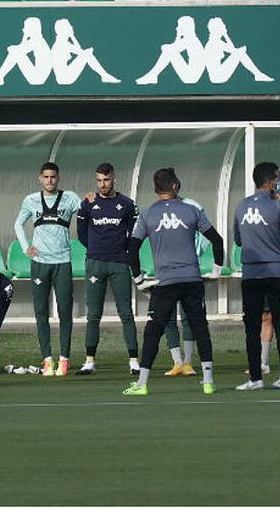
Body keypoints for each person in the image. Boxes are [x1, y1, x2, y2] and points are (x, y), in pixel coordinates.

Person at [123, 168, 224, 397]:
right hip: (192, 280)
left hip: (165, 283)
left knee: (153, 332)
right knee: (200, 328)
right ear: (175, 186)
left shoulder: (147, 214)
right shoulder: (191, 210)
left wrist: (138, 280)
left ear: (156, 188)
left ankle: (142, 384)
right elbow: (217, 240)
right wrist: (216, 272)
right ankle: (208, 381)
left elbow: (132, 250)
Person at [234, 162, 280, 391]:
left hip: (251, 274)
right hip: (276, 274)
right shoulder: (278, 207)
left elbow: (238, 240)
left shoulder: (241, 206)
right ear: (271, 182)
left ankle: (255, 378)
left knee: (251, 327)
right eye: (278, 179)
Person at [13, 162, 82, 376]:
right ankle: (47, 359)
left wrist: (90, 200)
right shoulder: (31, 200)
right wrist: (26, 248)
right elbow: (17, 224)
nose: (49, 180)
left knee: (65, 312)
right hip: (40, 263)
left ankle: (64, 359)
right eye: (46, 177)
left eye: (53, 177)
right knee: (41, 312)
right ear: (40, 178)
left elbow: (87, 214)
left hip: (62, 262)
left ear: (58, 178)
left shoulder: (70, 197)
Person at [75, 163, 139, 376]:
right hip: (95, 263)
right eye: (99, 180)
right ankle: (89, 361)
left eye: (107, 180)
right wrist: (96, 250)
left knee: (126, 314)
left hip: (120, 263)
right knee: (93, 315)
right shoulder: (87, 204)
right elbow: (82, 234)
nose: (103, 184)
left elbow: (134, 236)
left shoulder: (127, 204)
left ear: (114, 178)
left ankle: (133, 362)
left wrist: (122, 254)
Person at [160, 176, 217, 377]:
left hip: (190, 270)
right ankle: (176, 361)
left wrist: (194, 252)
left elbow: (208, 236)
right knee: (167, 317)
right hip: (166, 271)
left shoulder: (192, 206)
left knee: (190, 317)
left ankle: (188, 361)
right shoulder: (158, 208)